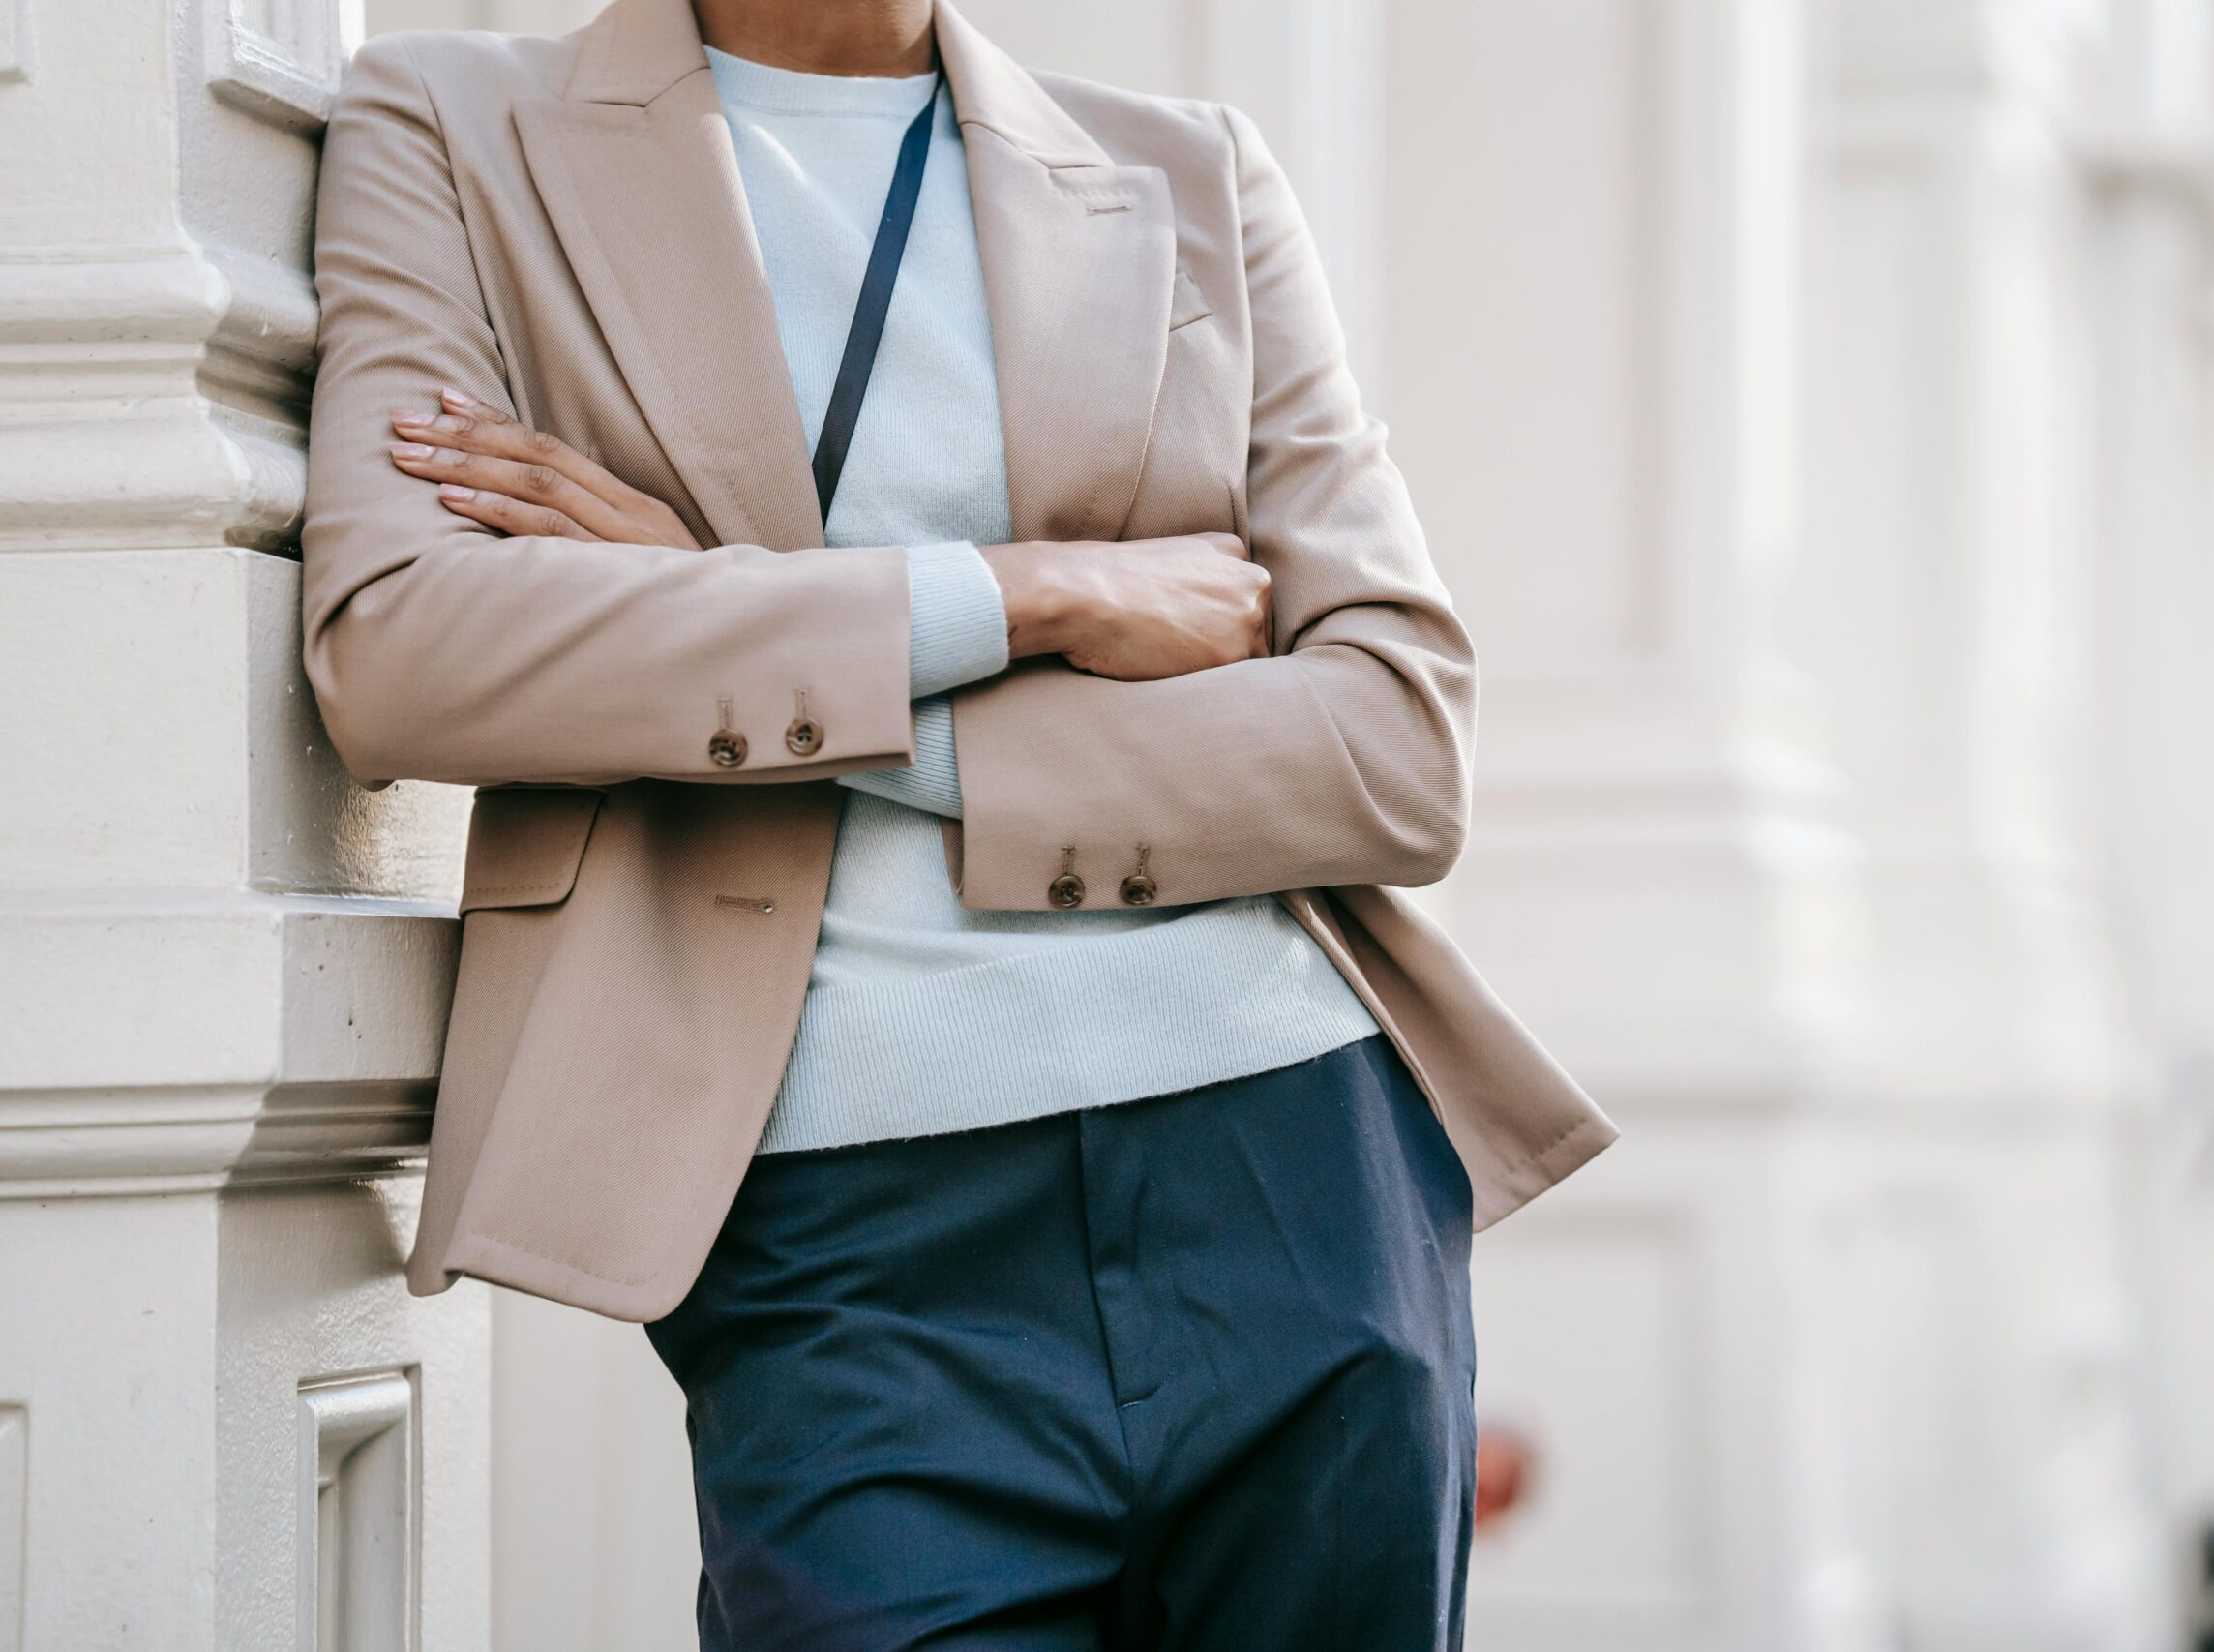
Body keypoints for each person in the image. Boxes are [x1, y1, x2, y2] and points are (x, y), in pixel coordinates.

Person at [303, 0, 1614, 1644]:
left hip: (1291, 1168)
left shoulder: (1184, 170)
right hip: (841, 1232)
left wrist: (728, 619)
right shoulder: (455, 125)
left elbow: (1398, 746)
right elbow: (408, 647)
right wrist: (1028, 594)